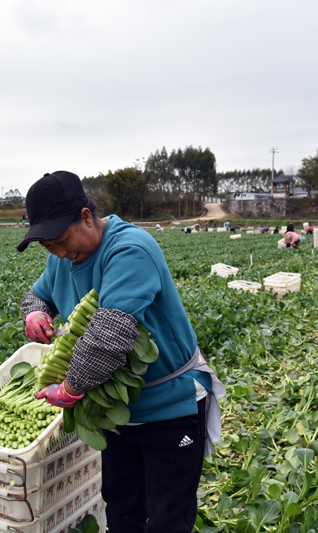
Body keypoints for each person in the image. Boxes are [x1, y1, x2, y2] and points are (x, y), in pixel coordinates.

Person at [16, 171, 225, 533]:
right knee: (122, 507)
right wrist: (35, 311)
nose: (60, 253)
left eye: (63, 241)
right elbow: (38, 294)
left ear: (86, 216)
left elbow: (108, 335)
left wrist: (70, 388)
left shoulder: (129, 248)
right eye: (49, 247)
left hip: (168, 406)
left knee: (168, 517)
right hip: (117, 411)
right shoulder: (62, 259)